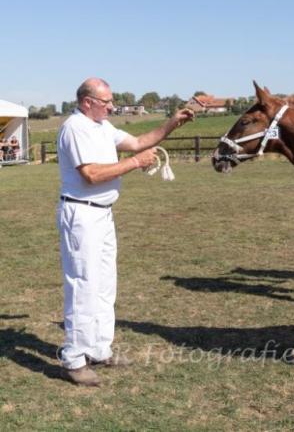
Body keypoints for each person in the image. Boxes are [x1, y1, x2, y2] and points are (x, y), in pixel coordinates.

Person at [56, 77, 194, 386]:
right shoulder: (75, 128)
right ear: (87, 102)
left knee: (105, 284)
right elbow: (91, 174)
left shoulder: (103, 127)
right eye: (106, 102)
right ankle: (74, 359)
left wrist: (172, 124)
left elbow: (138, 142)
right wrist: (133, 163)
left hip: (102, 215)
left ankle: (99, 349)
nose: (111, 106)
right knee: (83, 285)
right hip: (81, 213)